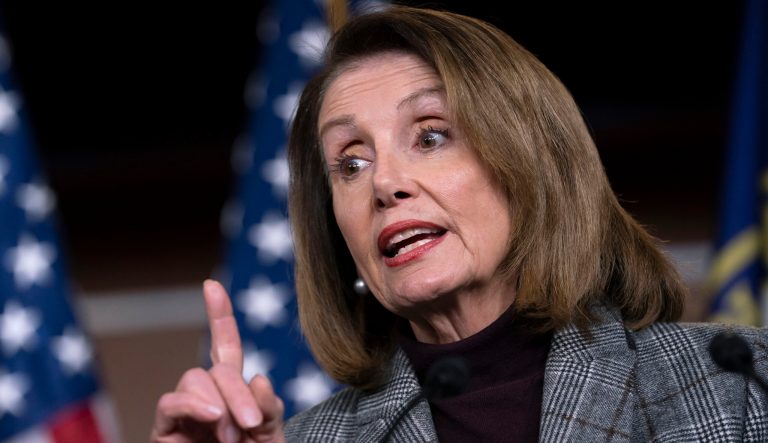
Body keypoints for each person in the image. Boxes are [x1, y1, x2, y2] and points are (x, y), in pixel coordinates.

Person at [151, 6, 768, 442]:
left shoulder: (737, 390)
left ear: (531, 165)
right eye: (351, 162)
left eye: (431, 135)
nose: (384, 183)